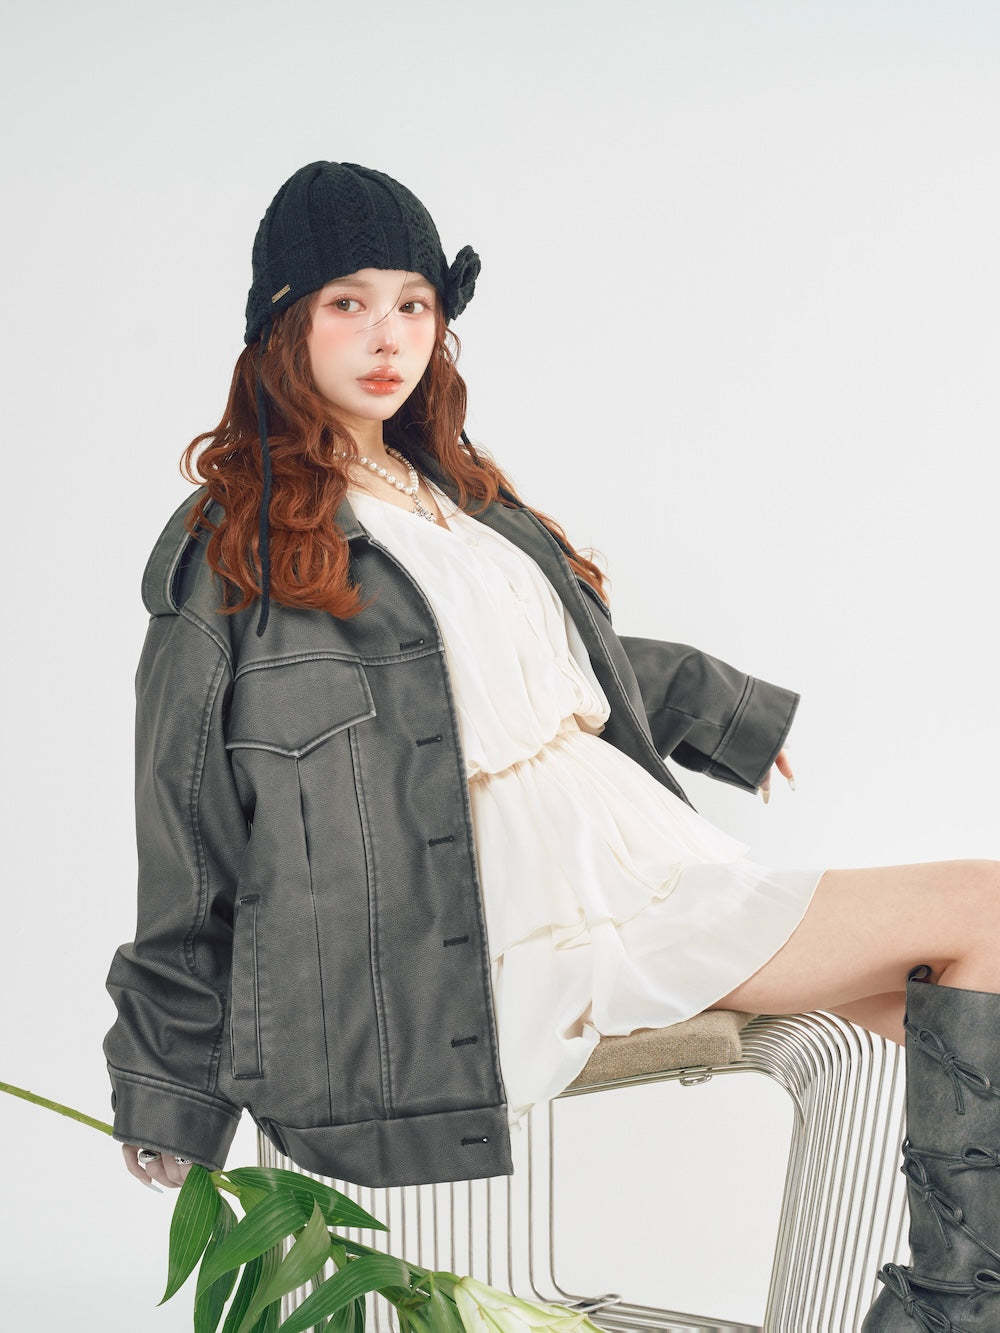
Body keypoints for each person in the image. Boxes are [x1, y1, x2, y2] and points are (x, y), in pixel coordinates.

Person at [104, 160, 1000, 1328]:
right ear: (283, 324)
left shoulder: (449, 490)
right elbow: (187, 830)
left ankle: (955, 1306)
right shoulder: (232, 549)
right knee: (983, 907)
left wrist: (717, 708)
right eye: (347, 302)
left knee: (952, 1011)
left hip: (623, 854)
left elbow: (536, 668)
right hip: (501, 922)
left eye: (414, 303)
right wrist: (167, 1082)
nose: (387, 334)